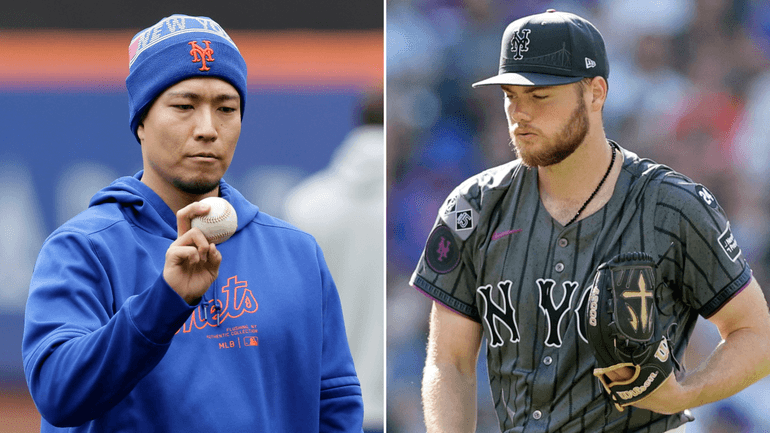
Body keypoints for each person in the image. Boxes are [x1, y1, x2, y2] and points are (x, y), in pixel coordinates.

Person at [410, 9, 770, 432]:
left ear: (595, 92)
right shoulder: (473, 206)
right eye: (510, 95)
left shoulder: (673, 206)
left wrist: (686, 392)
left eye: (539, 96)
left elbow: (756, 336)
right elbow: (449, 361)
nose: (519, 113)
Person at [22, 14, 364, 432]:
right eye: (184, 106)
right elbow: (58, 394)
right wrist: (164, 302)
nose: (207, 129)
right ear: (141, 122)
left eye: (226, 108)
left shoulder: (297, 252)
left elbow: (335, 406)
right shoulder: (82, 248)